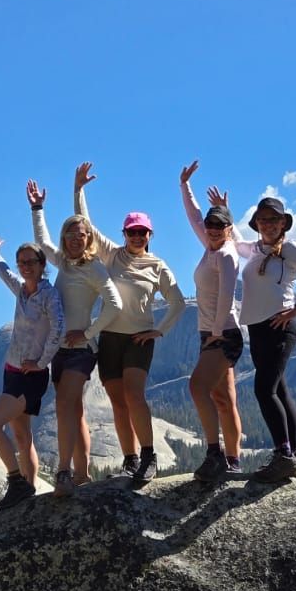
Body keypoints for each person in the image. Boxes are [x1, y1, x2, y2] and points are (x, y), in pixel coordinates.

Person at [74, 161, 186, 485]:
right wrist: (79, 189)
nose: (137, 236)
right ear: (124, 234)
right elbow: (86, 225)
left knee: (135, 396)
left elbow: (177, 302)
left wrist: (158, 331)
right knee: (118, 402)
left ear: (150, 235)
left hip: (139, 339)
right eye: (132, 231)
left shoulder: (158, 265)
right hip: (109, 338)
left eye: (142, 232)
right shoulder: (111, 255)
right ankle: (130, 459)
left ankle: (149, 456)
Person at [207, 185, 296, 482]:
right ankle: (293, 456)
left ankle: (283, 453)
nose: (268, 224)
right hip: (258, 329)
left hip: (280, 327)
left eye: (273, 219)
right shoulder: (256, 249)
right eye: (262, 219)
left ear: (283, 223)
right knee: (280, 391)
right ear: (257, 223)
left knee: (264, 390)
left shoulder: (291, 249)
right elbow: (234, 240)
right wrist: (226, 211)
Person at [26, 179, 123, 498]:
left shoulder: (95, 268)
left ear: (88, 238)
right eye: (70, 235)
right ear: (65, 238)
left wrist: (89, 332)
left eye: (81, 235)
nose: (75, 240)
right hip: (60, 350)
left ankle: (64, 472)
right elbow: (41, 240)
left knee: (66, 404)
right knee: (74, 410)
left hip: (81, 350)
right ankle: (82, 474)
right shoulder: (64, 264)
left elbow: (115, 304)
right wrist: (37, 208)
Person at [0, 237, 64, 508]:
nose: (25, 267)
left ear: (42, 265)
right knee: (22, 434)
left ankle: (16, 481)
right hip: (12, 370)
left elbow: (58, 329)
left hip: (31, 375)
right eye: (22, 263)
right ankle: (28, 490)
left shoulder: (49, 296)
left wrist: (42, 363)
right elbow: (3, 271)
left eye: (31, 262)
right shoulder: (21, 291)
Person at [179, 160, 243, 481]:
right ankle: (233, 461)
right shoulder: (209, 246)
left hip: (224, 333)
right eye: (211, 225)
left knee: (196, 387)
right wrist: (185, 185)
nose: (214, 230)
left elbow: (229, 294)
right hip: (211, 333)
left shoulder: (228, 254)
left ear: (229, 228)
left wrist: (216, 333)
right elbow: (193, 216)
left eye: (220, 225)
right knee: (222, 398)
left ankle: (214, 454)